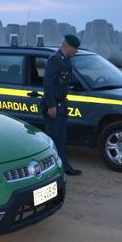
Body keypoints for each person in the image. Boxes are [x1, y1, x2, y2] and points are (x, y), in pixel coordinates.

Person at [42, 34, 82, 176]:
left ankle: (64, 167)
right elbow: (48, 84)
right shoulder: (55, 60)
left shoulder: (66, 61)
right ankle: (51, 170)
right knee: (53, 138)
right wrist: (51, 105)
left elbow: (67, 81)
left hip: (61, 104)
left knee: (61, 138)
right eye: (75, 49)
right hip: (54, 106)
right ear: (68, 47)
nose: (76, 52)